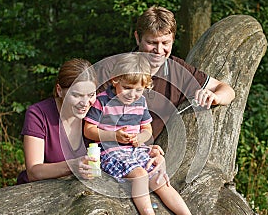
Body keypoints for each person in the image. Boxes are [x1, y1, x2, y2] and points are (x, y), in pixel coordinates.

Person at [84, 53, 207, 215]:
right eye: (127, 88)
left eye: (138, 90)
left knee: (160, 180)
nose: (131, 95)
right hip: (110, 152)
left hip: (135, 150)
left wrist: (140, 138)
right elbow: (89, 130)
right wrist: (113, 135)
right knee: (140, 174)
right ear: (115, 79)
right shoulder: (102, 101)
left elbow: (147, 129)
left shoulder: (140, 102)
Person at [17, 58, 165, 184]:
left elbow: (117, 145)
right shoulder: (38, 114)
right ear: (59, 90)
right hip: (39, 194)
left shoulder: (96, 112)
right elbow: (34, 172)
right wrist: (72, 166)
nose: (85, 102)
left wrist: (147, 151)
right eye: (77, 95)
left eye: (91, 94)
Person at [134, 6, 236, 139]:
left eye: (165, 43)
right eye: (152, 42)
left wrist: (215, 97)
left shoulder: (178, 71)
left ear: (173, 40)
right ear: (137, 38)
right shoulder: (114, 69)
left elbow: (228, 91)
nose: (159, 50)